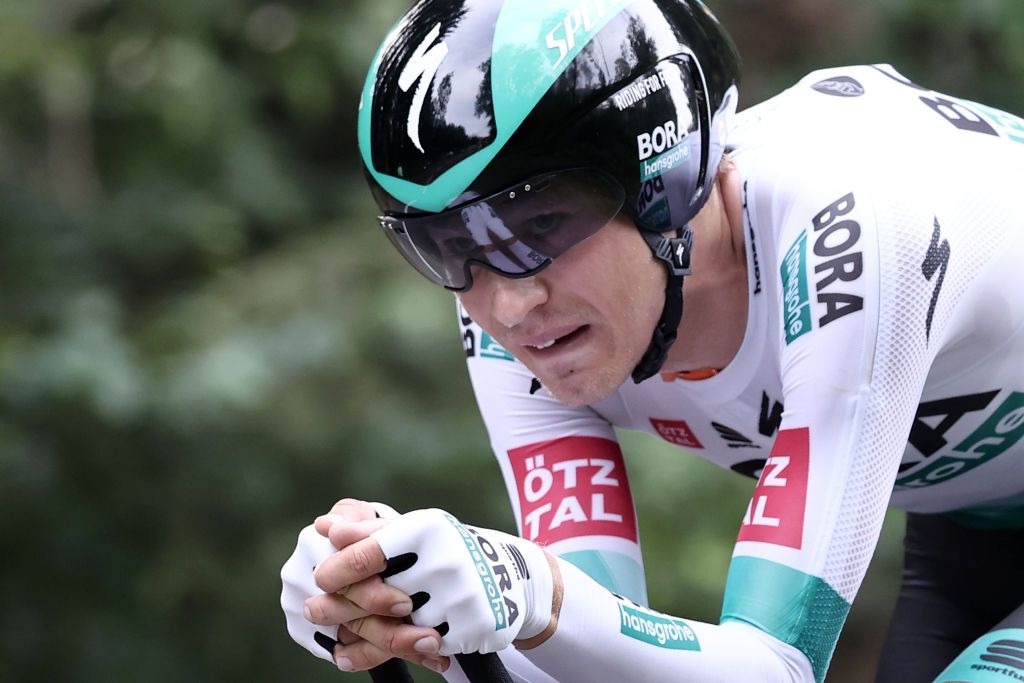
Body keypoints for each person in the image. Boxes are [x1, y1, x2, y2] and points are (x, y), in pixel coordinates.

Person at [279, 0, 1024, 680]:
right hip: (972, 518)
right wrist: (424, 608)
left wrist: (534, 591)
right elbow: (588, 653)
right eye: (444, 246)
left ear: (663, 181)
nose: (508, 303)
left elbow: (772, 668)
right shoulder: (515, 313)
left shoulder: (849, 234)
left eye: (541, 225)